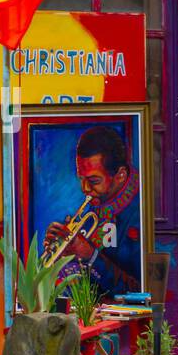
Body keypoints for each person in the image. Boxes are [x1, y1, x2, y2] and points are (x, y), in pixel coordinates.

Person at [44, 125, 141, 298]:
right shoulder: (97, 204)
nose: (85, 189)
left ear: (120, 175)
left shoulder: (140, 213)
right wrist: (61, 253)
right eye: (81, 179)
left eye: (93, 180)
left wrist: (89, 254)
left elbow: (141, 290)